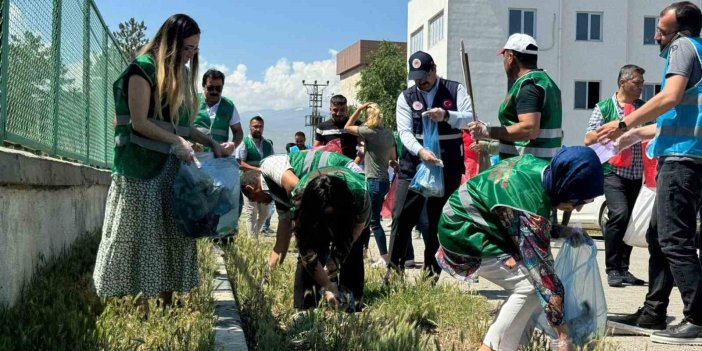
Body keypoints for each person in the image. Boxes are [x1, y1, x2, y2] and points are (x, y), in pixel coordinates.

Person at [93, 14, 224, 305]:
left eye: (194, 50)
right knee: (140, 237)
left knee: (171, 235)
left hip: (169, 171)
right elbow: (139, 122)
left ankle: (166, 303)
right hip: (139, 170)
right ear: (171, 43)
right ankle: (139, 306)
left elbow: (182, 127)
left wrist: (212, 143)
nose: (191, 57)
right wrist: (178, 142)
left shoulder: (179, 76)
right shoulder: (142, 69)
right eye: (187, 49)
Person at [598, 2, 702, 344]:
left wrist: (626, 120)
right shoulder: (697, 50)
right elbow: (674, 117)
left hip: (682, 160)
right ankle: (654, 312)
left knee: (674, 239)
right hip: (685, 154)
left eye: (660, 29)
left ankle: (697, 318)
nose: (655, 35)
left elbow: (670, 98)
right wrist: (631, 135)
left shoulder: (682, 48)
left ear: (677, 30)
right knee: (660, 237)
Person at [437, 146, 604, 351]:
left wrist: (562, 231)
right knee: (531, 286)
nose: (577, 208)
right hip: (464, 234)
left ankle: (514, 346)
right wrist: (563, 335)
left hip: (468, 220)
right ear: (566, 186)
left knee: (534, 289)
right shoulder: (529, 209)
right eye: (578, 200)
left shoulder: (541, 168)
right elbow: (544, 277)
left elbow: (517, 222)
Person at [386, 51, 474, 278]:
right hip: (414, 164)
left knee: (438, 220)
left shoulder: (454, 90)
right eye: (416, 78)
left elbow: (469, 118)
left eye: (424, 76)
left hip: (447, 164)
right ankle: (394, 273)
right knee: (401, 217)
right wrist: (421, 152)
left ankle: (431, 275)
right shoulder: (406, 97)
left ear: (434, 69)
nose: (420, 82)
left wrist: (446, 115)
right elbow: (404, 132)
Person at [240, 152, 366, 310]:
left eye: (253, 199)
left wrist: (306, 231)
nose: (259, 203)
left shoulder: (268, 165)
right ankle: (308, 305)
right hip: (319, 190)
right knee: (310, 245)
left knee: (344, 240)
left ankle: (350, 302)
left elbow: (297, 187)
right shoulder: (279, 197)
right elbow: (281, 243)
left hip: (346, 178)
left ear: (251, 188)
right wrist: (266, 276)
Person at [584, 65, 648, 288]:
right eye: (637, 83)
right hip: (613, 173)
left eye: (642, 84)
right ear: (623, 82)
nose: (641, 87)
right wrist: (614, 131)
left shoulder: (643, 109)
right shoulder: (604, 108)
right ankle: (612, 269)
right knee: (619, 214)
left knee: (630, 219)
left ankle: (624, 268)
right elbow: (588, 138)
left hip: (637, 174)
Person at [289, 167, 370, 310]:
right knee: (313, 248)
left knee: (352, 249)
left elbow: (356, 230)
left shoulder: (360, 196)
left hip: (348, 213)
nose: (329, 221)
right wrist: (327, 285)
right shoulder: (300, 198)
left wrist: (336, 259)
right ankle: (304, 308)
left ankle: (351, 303)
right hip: (311, 212)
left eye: (331, 215)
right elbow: (305, 247)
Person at [344, 102, 396, 265]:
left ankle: (384, 256)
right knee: (370, 218)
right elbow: (393, 158)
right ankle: (365, 250)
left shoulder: (369, 132)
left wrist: (358, 109)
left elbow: (347, 127)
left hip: (372, 180)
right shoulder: (388, 133)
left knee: (373, 221)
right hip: (384, 181)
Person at [235, 115, 274, 236]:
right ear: (250, 127)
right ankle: (252, 240)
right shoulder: (244, 142)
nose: (258, 129)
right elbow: (239, 162)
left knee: (265, 212)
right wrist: (256, 169)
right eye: (255, 126)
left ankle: (255, 233)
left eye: (260, 126)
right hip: (248, 181)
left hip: (263, 182)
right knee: (251, 211)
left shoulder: (268, 144)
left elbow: (272, 160)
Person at [193, 69, 243, 154]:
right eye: (210, 88)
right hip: (194, 157)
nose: (214, 91)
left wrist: (233, 144)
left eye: (218, 88)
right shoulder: (192, 101)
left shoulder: (229, 106)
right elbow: (180, 127)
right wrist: (189, 143)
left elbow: (238, 131)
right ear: (203, 86)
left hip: (218, 158)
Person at [314, 95, 360, 159]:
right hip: (330, 166)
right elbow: (316, 150)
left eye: (342, 110)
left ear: (346, 109)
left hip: (351, 165)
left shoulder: (356, 124)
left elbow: (362, 147)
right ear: (330, 109)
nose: (338, 113)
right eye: (335, 110)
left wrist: (354, 165)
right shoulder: (322, 127)